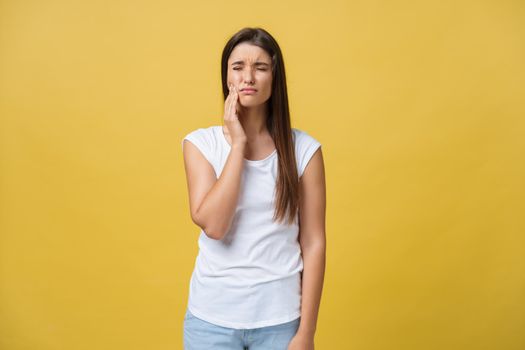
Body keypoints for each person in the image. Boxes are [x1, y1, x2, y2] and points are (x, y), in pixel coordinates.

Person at [181, 27, 326, 350]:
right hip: (210, 322)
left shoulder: (304, 150)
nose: (248, 77)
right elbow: (215, 225)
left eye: (260, 67)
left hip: (280, 322)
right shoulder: (200, 144)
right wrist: (238, 146)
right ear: (226, 77)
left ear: (275, 79)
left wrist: (306, 332)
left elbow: (314, 242)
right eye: (238, 67)